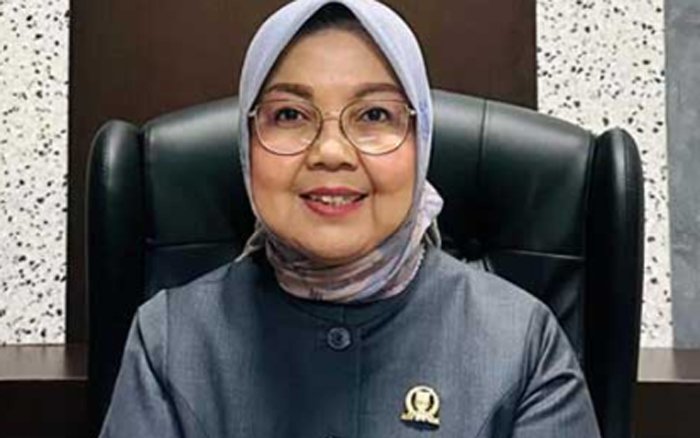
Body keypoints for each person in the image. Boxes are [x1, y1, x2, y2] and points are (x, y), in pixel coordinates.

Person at [99, 0, 601, 436]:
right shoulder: (171, 340)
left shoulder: (521, 341)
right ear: (246, 144)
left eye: (374, 115)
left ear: (422, 140)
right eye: (290, 115)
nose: (331, 152)